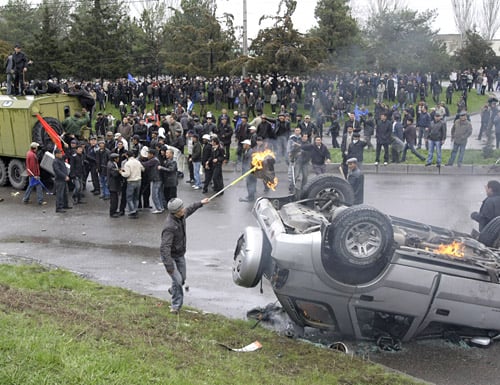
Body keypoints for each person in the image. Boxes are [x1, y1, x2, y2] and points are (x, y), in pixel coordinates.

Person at [160, 197, 210, 314]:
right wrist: (169, 267)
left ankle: (173, 290)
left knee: (182, 279)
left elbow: (190, 209)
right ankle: (175, 306)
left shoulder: (181, 216)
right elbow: (164, 248)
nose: (184, 210)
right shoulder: (169, 227)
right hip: (170, 258)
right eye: (181, 209)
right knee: (177, 281)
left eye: (182, 207)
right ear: (175, 212)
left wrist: (201, 203)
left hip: (180, 254)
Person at [120, 150, 144, 218]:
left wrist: (121, 172)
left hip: (131, 181)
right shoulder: (138, 162)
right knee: (136, 197)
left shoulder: (127, 163)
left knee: (129, 197)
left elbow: (127, 174)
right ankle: (135, 209)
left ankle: (132, 211)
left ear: (127, 155)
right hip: (139, 181)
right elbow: (143, 169)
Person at [52, 149, 70, 213]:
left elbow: (67, 155)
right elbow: (57, 171)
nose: (61, 154)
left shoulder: (61, 159)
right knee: (60, 194)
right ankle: (59, 207)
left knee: (65, 193)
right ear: (56, 154)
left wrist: (67, 148)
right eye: (59, 153)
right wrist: (64, 176)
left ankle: (65, 205)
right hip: (59, 180)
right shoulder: (55, 161)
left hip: (63, 180)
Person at [107, 153, 122, 218]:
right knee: (114, 199)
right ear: (114, 159)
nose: (118, 159)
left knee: (115, 198)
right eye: (117, 158)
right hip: (113, 184)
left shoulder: (112, 163)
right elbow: (114, 174)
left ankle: (115, 210)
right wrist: (119, 171)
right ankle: (112, 212)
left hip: (114, 184)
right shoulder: (111, 165)